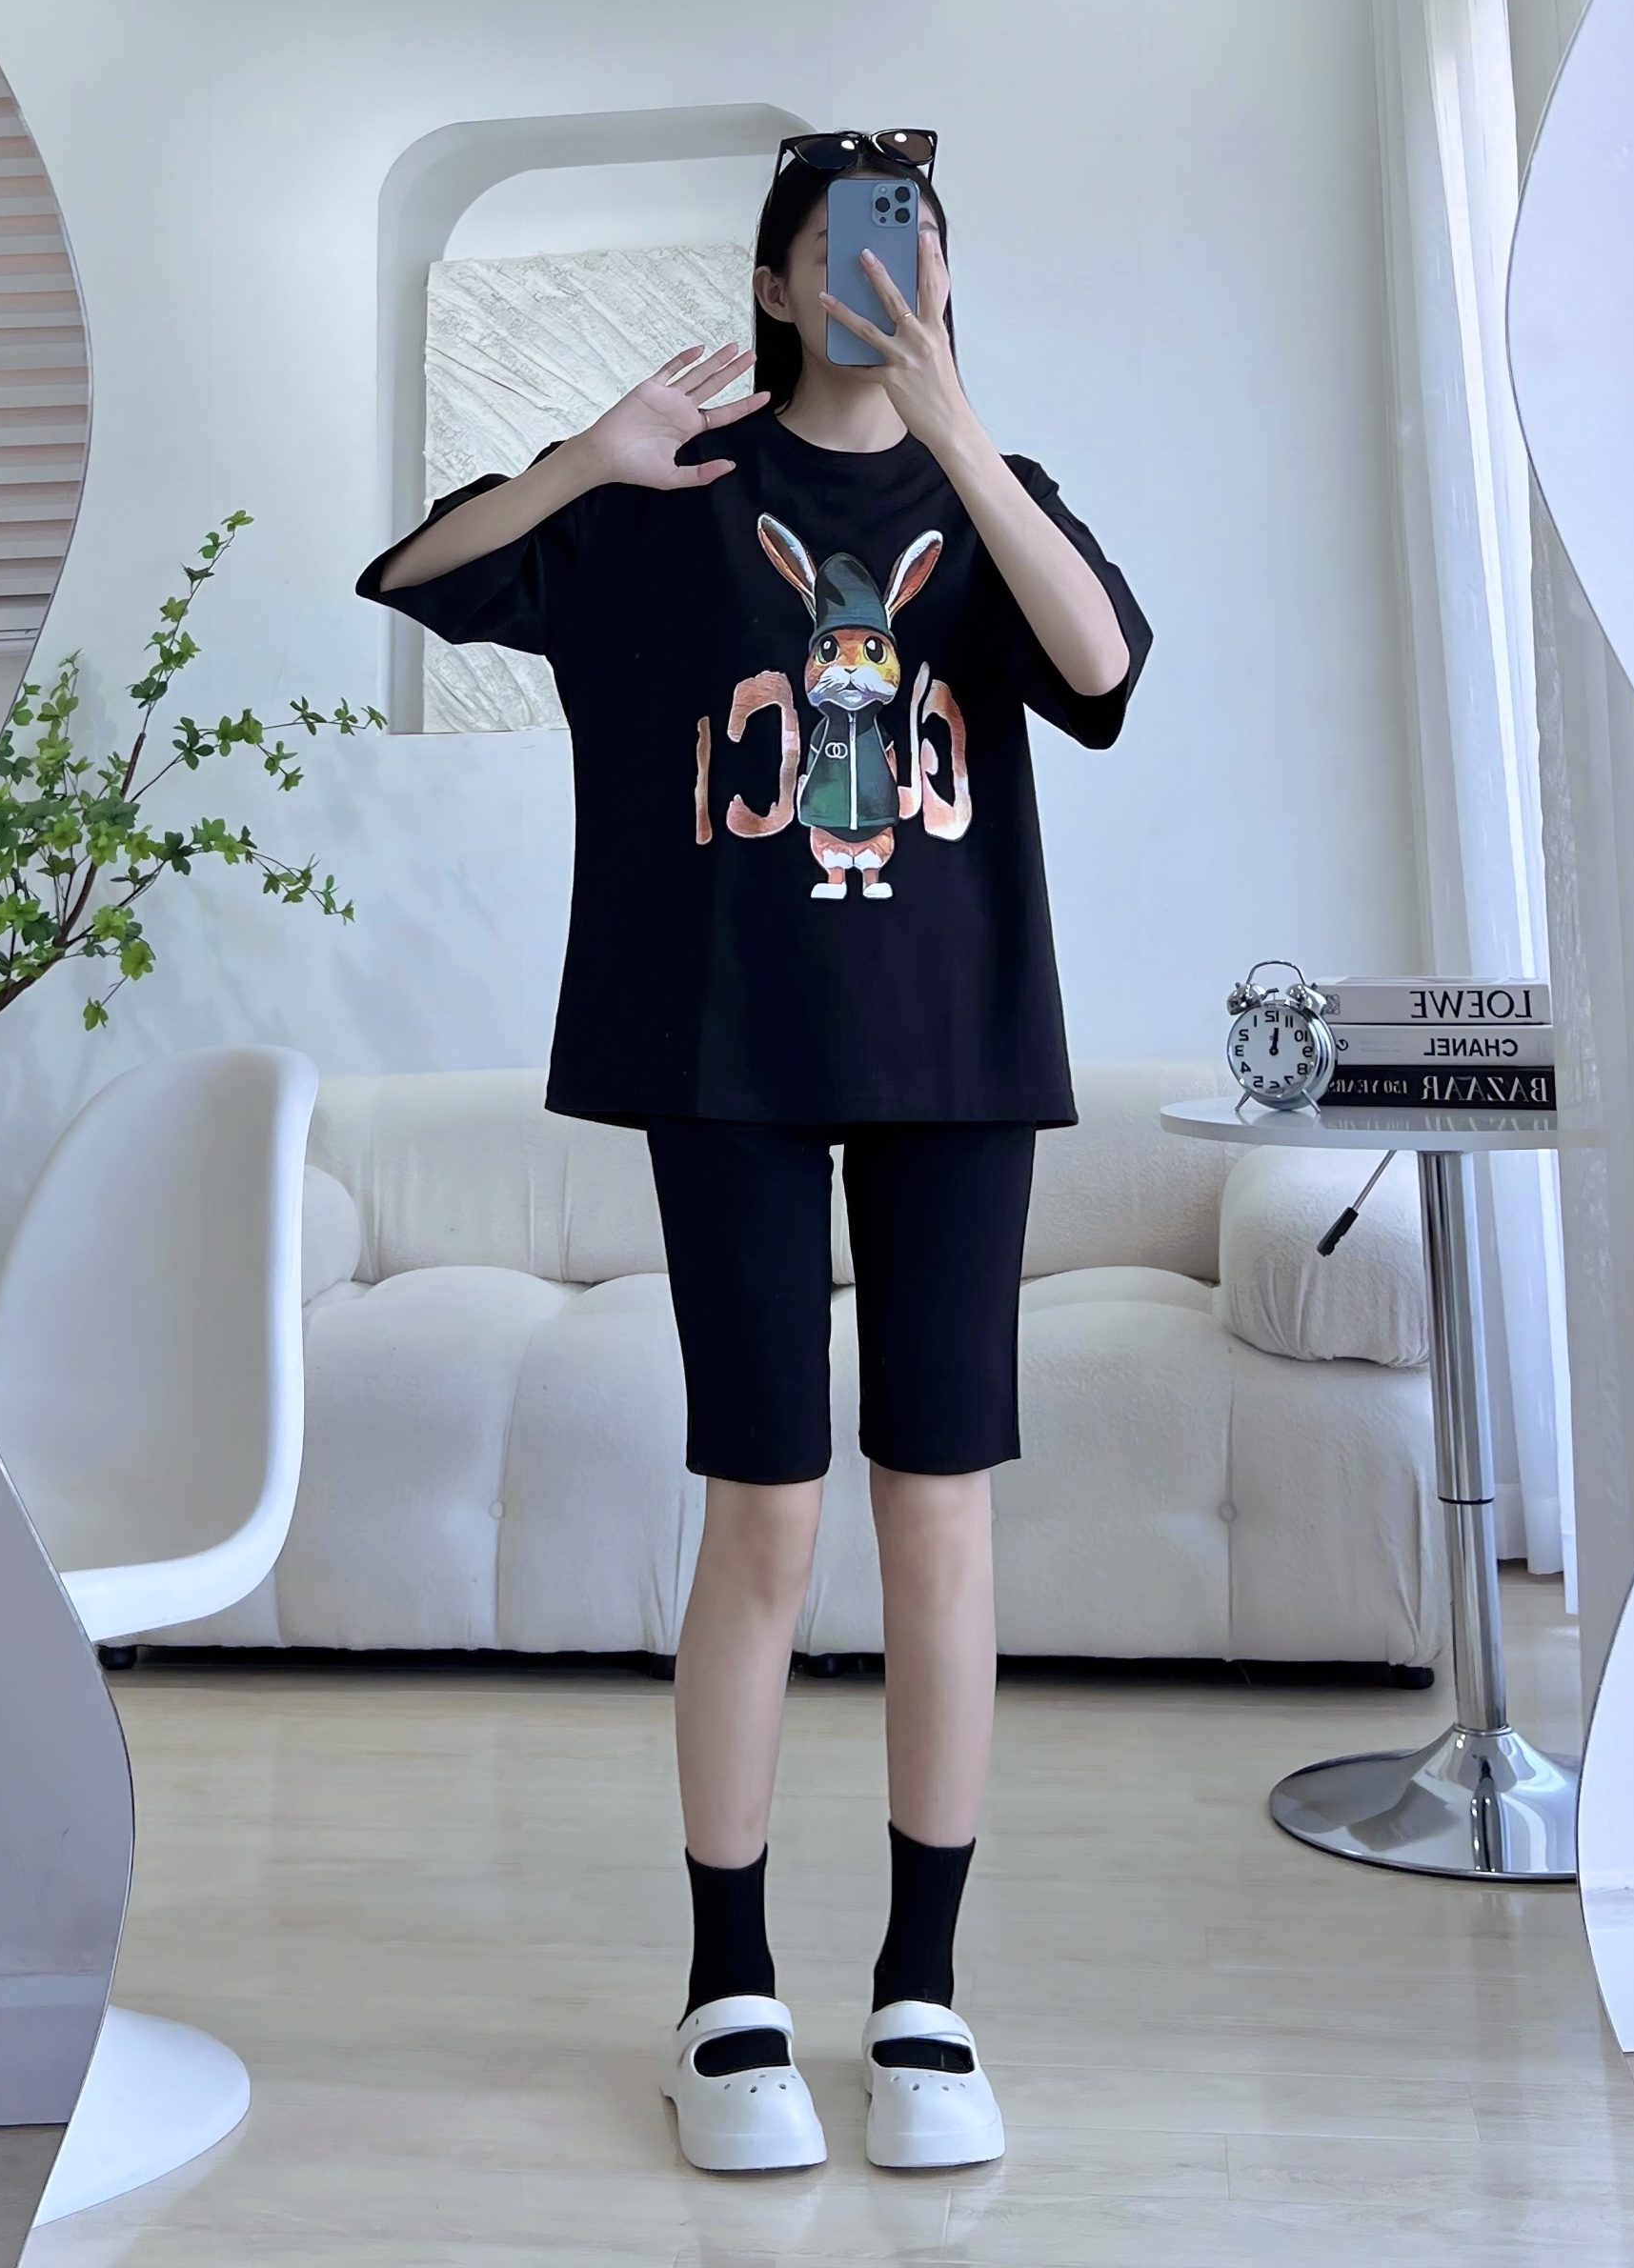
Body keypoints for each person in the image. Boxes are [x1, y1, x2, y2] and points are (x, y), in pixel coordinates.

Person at [354, 128, 1153, 2177]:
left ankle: (924, 1994)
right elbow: (413, 580)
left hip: (954, 1059)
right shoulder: (670, 495)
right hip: (729, 1065)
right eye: (851, 241)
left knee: (941, 1511)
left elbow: (1100, 667)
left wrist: (962, 433)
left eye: (923, 244)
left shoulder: (995, 495)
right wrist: (582, 460)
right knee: (766, 1513)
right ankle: (728, 1993)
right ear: (780, 282)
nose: (893, 270)